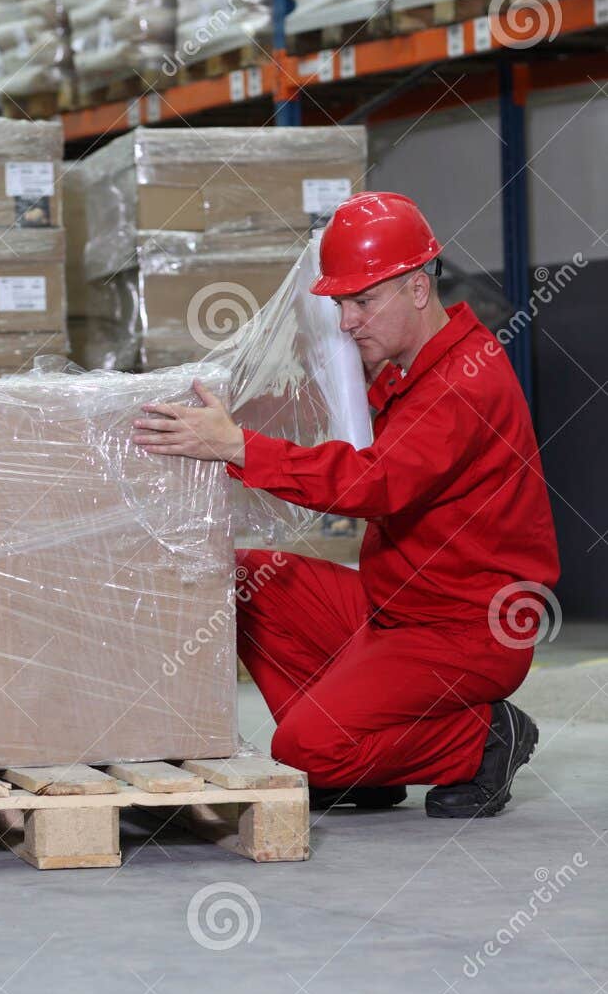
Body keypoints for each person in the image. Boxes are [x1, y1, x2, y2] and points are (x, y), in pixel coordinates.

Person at [132, 191, 560, 819]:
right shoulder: (405, 367)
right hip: (396, 605)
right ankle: (367, 757)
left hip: (463, 630)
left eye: (364, 301)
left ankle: (483, 740)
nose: (349, 320)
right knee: (249, 578)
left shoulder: (464, 383)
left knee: (301, 749)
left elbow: (373, 485)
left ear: (418, 288)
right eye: (340, 304)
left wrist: (238, 446)